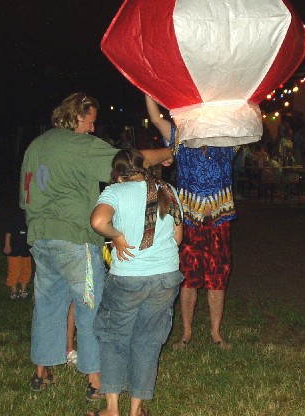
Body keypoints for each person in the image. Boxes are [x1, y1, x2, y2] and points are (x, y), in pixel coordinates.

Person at [20, 92, 173, 394]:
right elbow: (127, 163)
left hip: (40, 236)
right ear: (77, 115)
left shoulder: (35, 145)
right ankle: (94, 378)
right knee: (91, 306)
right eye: (90, 121)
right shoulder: (81, 145)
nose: (92, 128)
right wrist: (167, 153)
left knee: (48, 303)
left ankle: (42, 370)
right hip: (75, 239)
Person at [89, 149, 184, 416]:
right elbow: (177, 238)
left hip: (129, 278)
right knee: (148, 340)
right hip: (165, 277)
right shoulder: (168, 190)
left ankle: (112, 410)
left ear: (119, 175)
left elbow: (98, 221)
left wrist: (117, 236)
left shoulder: (114, 193)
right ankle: (136, 409)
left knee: (114, 338)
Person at [145, 95, 235, 349]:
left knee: (218, 278)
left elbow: (249, 122)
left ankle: (216, 334)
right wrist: (149, 88)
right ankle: (186, 333)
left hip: (219, 218)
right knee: (188, 278)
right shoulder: (180, 139)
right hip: (190, 219)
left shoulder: (228, 141)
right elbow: (155, 117)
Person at [3, 208, 32, 299]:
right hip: (15, 250)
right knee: (14, 270)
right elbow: (8, 233)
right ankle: (13, 291)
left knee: (26, 270)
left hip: (26, 251)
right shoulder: (17, 217)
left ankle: (23, 290)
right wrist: (7, 245)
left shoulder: (32, 218)